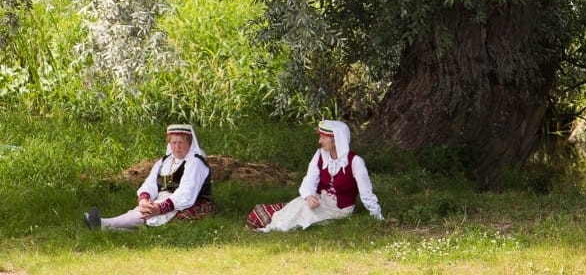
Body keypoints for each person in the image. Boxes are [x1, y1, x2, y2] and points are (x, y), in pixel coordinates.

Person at [246, 119, 383, 231]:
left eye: (323, 137)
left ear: (336, 140)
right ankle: (270, 222)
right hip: (320, 199)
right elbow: (309, 179)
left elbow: (366, 193)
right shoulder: (320, 155)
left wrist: (377, 216)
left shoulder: (355, 162)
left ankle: (274, 227)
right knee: (299, 204)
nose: (319, 141)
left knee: (302, 212)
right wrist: (309, 196)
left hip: (340, 208)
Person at [84, 123, 215, 230]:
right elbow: (150, 183)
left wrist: (160, 207)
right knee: (145, 210)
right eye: (173, 143)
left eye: (181, 142)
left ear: (189, 143)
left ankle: (104, 224)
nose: (177, 147)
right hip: (163, 199)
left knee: (148, 214)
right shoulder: (164, 161)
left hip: (189, 202)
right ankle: (107, 228)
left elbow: (187, 192)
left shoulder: (195, 162)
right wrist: (144, 200)